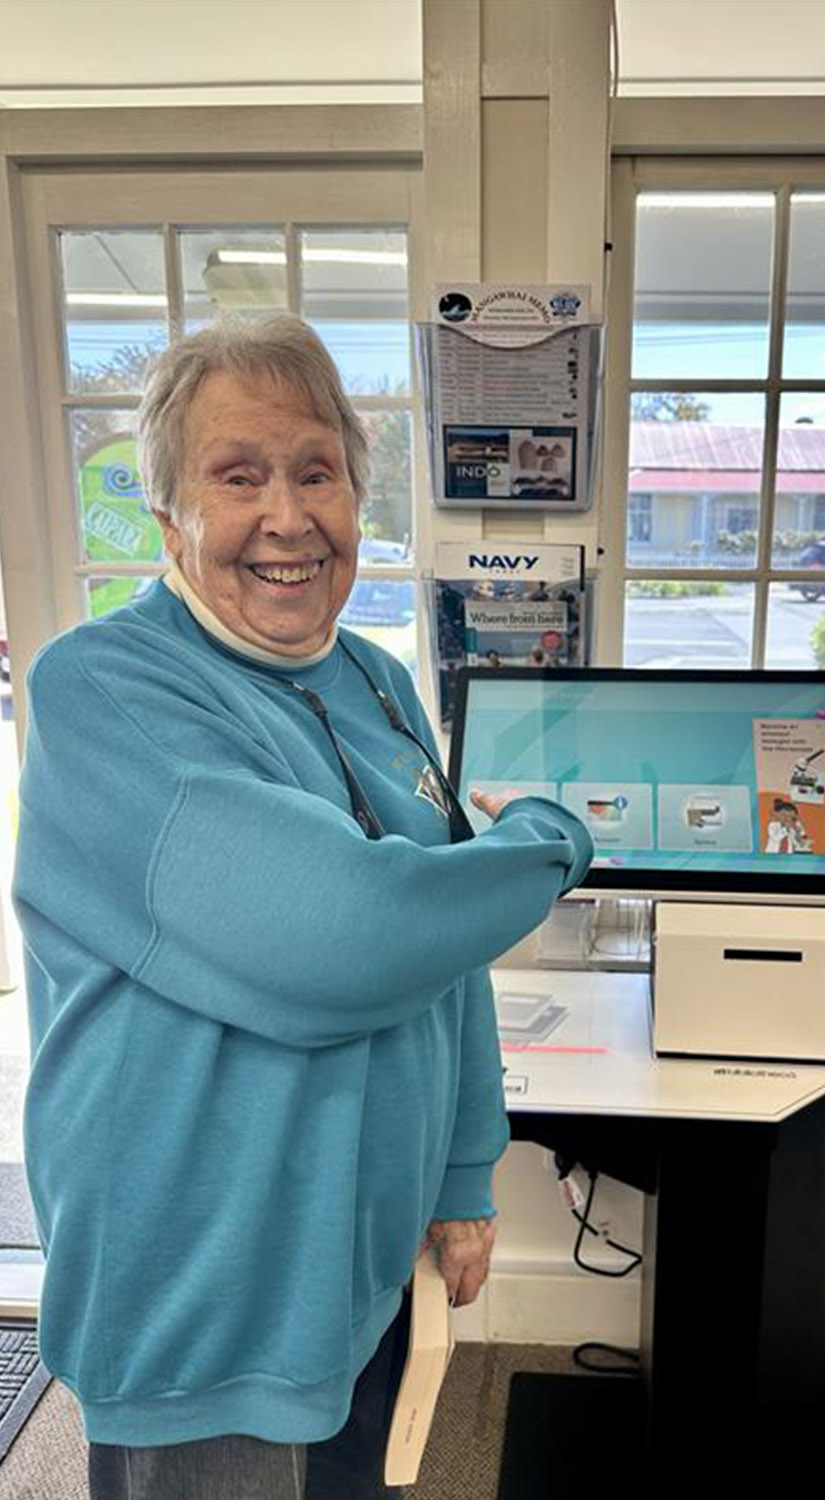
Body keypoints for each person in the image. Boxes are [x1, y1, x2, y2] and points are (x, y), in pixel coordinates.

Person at [13, 315, 593, 1500]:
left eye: (316, 470)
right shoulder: (105, 688)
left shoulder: (378, 681)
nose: (287, 517)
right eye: (238, 476)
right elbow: (350, 935)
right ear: (170, 512)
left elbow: (444, 951)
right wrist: (548, 835)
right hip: (202, 1291)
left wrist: (462, 1178)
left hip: (358, 1253)